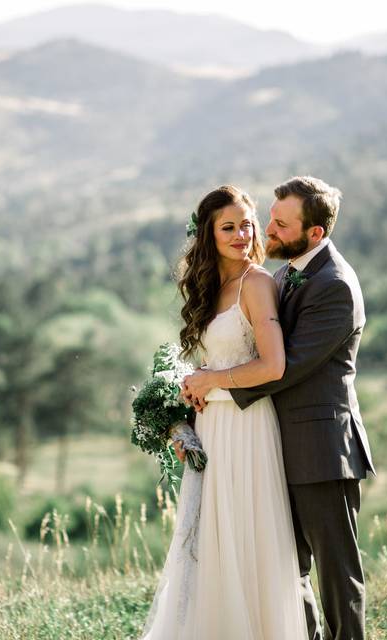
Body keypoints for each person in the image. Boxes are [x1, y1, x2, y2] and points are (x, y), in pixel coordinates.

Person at [182, 176, 375, 640]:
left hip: (322, 449)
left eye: (280, 223)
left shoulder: (335, 286)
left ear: (314, 233)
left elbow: (285, 367)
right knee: (288, 571)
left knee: (335, 573)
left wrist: (212, 387)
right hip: (273, 445)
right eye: (269, 217)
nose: (266, 229)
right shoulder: (287, 273)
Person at [141, 185, 308, 640]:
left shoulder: (256, 284)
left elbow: (273, 366)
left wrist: (211, 381)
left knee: (243, 538)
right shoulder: (211, 289)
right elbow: (207, 365)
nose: (240, 234)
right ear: (208, 235)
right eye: (228, 226)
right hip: (212, 426)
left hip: (247, 427)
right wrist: (181, 417)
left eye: (246, 225)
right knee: (210, 541)